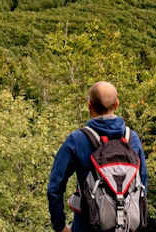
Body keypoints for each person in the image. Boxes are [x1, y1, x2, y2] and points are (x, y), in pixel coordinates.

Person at [46, 81, 150, 232]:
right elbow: (143, 184)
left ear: (89, 105)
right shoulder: (131, 139)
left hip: (86, 226)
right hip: (126, 226)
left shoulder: (77, 140)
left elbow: (54, 189)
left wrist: (60, 226)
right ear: (117, 104)